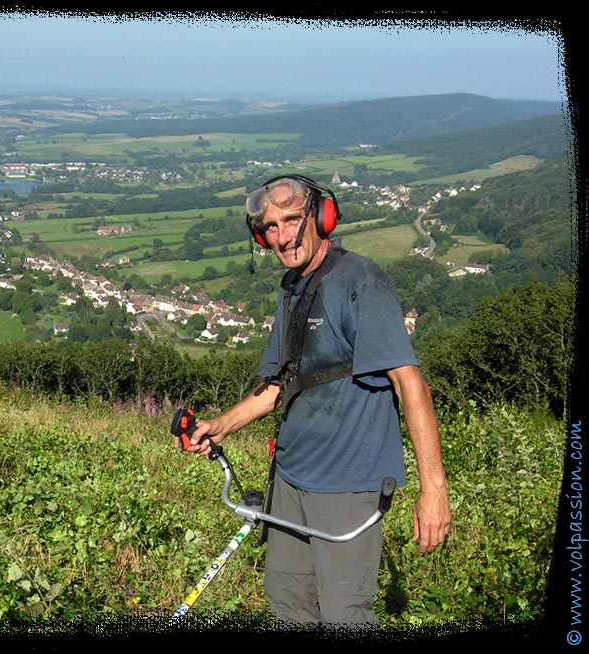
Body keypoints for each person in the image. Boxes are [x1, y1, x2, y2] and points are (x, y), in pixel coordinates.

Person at [178, 174, 451, 629]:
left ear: (321, 218)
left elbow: (410, 384)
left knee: (345, 615)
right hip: (289, 480)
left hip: (346, 485)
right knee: (287, 602)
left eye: (292, 220)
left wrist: (433, 490)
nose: (283, 236)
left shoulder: (361, 282)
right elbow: (280, 385)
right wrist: (220, 426)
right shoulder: (291, 289)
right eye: (270, 227)